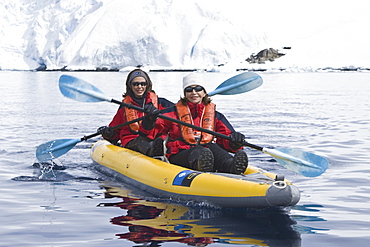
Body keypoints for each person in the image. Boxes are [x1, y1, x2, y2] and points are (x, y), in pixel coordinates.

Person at [139, 73, 248, 174]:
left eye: (198, 89)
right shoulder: (172, 113)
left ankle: (230, 165)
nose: (194, 93)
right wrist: (149, 120)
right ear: (185, 93)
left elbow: (226, 139)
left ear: (204, 92)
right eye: (189, 90)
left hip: (207, 149)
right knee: (200, 152)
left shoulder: (215, 116)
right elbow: (148, 135)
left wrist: (235, 141)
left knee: (213, 149)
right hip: (180, 153)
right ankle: (202, 165)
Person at [98, 69, 173, 157]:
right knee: (142, 141)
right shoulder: (124, 107)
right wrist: (107, 133)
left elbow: (179, 115)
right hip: (133, 141)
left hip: (158, 139)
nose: (139, 87)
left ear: (147, 85)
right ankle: (154, 151)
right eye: (135, 84)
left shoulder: (162, 103)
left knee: (162, 140)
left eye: (143, 84)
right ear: (130, 86)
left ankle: (161, 150)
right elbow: (115, 132)